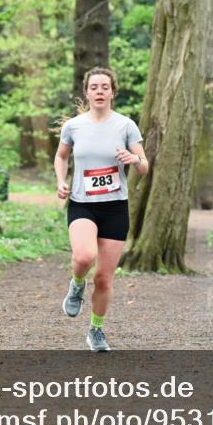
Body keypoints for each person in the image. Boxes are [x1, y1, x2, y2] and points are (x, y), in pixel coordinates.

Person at [55, 67, 148, 352]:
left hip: (115, 208)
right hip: (83, 203)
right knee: (84, 256)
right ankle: (76, 284)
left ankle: (96, 330)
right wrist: (61, 180)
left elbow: (144, 167)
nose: (99, 91)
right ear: (87, 92)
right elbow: (60, 157)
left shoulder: (126, 126)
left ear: (112, 92)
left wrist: (134, 158)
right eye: (94, 87)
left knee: (104, 278)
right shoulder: (74, 126)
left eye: (104, 87)